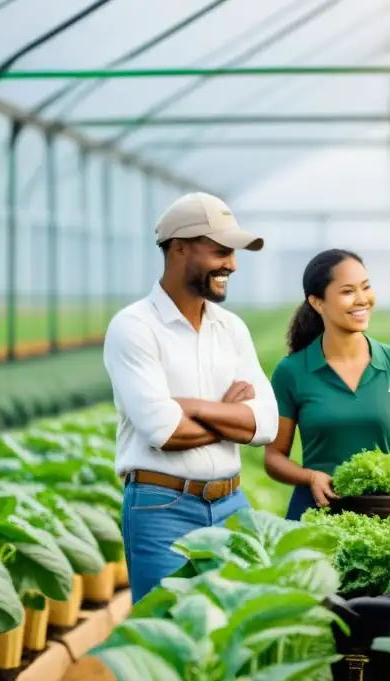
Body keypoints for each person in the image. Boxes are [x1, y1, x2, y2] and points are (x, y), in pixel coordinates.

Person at [102, 191, 279, 604]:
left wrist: (194, 407)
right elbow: (164, 430)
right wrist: (233, 416)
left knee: (233, 632)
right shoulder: (134, 327)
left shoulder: (231, 328)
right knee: (168, 637)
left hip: (233, 503)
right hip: (161, 508)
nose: (231, 264)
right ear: (179, 248)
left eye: (233, 254)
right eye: (220, 251)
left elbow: (267, 422)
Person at [264, 249, 390, 520]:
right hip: (316, 515)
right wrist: (310, 477)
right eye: (347, 291)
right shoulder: (291, 371)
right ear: (318, 303)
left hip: (385, 518)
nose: (362, 299)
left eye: (366, 287)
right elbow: (274, 458)